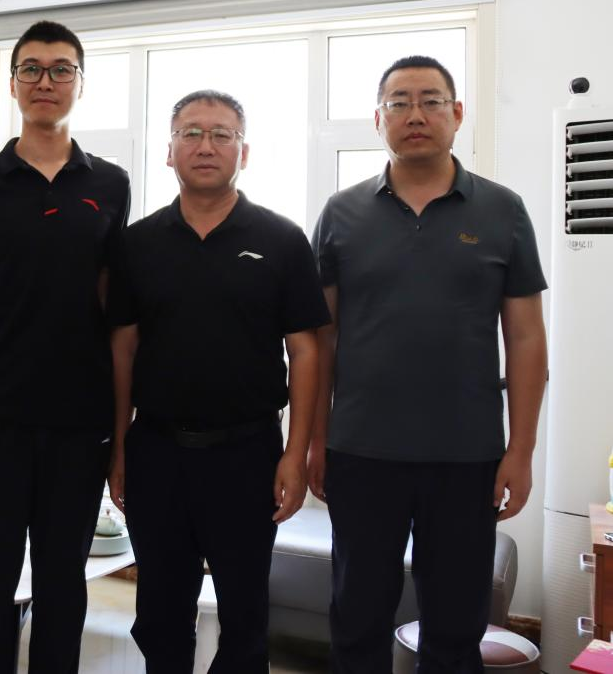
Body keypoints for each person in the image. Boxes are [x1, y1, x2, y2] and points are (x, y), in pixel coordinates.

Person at [309, 55, 548, 672]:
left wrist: (521, 450)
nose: (415, 114)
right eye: (399, 102)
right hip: (361, 452)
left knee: (456, 628)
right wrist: (313, 441)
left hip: (467, 457)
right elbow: (320, 341)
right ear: (379, 119)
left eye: (431, 100)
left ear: (456, 113)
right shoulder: (340, 213)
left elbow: (526, 339)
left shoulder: (503, 210)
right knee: (356, 618)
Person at [106, 90, 327, 673]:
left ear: (243, 153)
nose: (206, 146)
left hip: (247, 454)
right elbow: (122, 349)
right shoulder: (137, 243)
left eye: (222, 134)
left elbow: (306, 351)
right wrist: (120, 444)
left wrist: (296, 454)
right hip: (156, 452)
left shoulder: (282, 240)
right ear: (170, 151)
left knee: (245, 615)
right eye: (192, 133)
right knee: (160, 613)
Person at [0, 20, 131, 673]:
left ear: (80, 82)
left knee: (62, 578)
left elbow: (109, 301)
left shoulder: (110, 183)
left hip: (78, 415)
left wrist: (119, 422)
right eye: (31, 68)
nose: (44, 81)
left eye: (59, 69)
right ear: (13, 82)